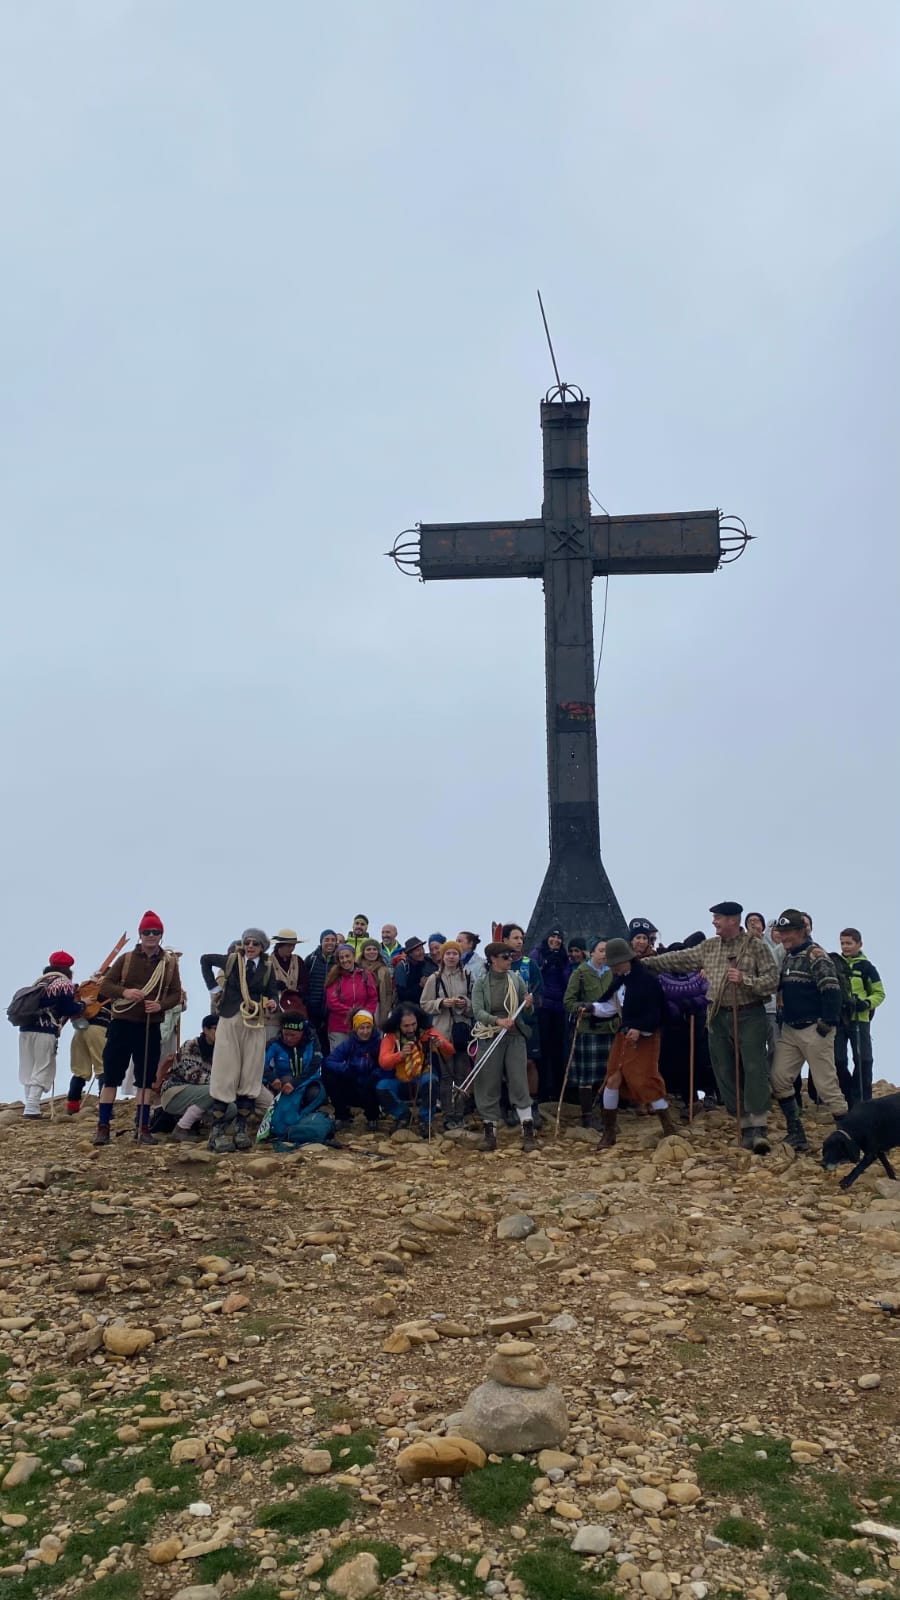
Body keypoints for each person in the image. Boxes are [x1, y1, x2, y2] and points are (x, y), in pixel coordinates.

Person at [644, 901, 778, 1153]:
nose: (714, 922)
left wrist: (745, 980)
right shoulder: (709, 947)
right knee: (723, 1069)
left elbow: (772, 980)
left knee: (753, 1066)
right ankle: (742, 1121)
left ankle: (758, 1127)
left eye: (718, 918)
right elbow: (680, 959)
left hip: (749, 1013)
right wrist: (647, 963)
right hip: (717, 1015)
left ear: (732, 920)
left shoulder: (756, 947)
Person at [95, 913, 182, 1146]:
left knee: (145, 1079)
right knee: (112, 1075)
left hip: (149, 1025)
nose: (151, 936)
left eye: (155, 932)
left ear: (161, 935)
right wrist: (125, 993)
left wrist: (161, 1005)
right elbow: (105, 984)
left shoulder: (170, 964)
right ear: (140, 934)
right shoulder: (125, 959)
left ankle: (142, 1127)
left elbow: (175, 993)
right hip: (121, 1023)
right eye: (147, 932)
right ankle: (103, 1128)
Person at [770, 909, 847, 1150]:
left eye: (789, 932)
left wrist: (826, 1024)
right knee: (779, 1079)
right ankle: (796, 1132)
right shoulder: (788, 957)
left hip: (815, 1028)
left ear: (802, 931)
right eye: (782, 932)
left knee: (827, 1087)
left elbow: (832, 990)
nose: (784, 937)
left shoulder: (817, 955)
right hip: (791, 1030)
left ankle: (848, 1137)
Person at [200, 929, 280, 1152]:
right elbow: (205, 960)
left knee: (250, 1073)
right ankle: (216, 1132)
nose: (251, 946)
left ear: (262, 946)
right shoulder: (233, 960)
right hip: (231, 1018)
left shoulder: (267, 967)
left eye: (255, 943)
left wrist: (273, 1002)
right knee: (226, 1070)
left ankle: (241, 1129)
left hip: (254, 1021)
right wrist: (215, 989)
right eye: (248, 942)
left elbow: (273, 991)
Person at [598, 938, 679, 1147]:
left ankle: (667, 1126)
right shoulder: (620, 980)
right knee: (613, 1079)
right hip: (623, 1036)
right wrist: (589, 1008)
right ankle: (609, 1133)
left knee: (645, 1081)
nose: (613, 968)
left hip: (646, 1038)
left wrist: (640, 1028)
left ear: (626, 960)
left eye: (615, 964)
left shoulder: (647, 980)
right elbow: (609, 1006)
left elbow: (655, 1011)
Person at [470, 941, 535, 1152]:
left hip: (515, 1036)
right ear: (493, 960)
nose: (510, 960)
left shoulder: (516, 980)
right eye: (505, 957)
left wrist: (529, 1005)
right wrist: (497, 1021)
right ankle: (490, 1134)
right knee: (488, 1083)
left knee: (519, 1080)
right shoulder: (481, 983)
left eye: (510, 957)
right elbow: (477, 1011)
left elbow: (527, 1011)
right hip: (490, 1036)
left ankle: (528, 1131)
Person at [13, 950, 85, 1119]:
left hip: (25, 1029)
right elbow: (68, 1008)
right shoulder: (64, 983)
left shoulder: (39, 982)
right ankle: (31, 1107)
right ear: (68, 969)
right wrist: (82, 1005)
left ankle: (31, 1105)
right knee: (43, 1066)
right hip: (45, 1030)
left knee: (28, 1067)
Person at [562, 937, 620, 1127]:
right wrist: (585, 1007)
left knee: (609, 1075)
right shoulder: (580, 973)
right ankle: (587, 1116)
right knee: (586, 1078)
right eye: (601, 950)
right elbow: (568, 1002)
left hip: (610, 1030)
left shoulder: (613, 972)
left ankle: (606, 1115)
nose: (605, 954)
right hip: (588, 1031)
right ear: (591, 953)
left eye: (607, 951)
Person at [420, 940, 473, 1130]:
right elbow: (424, 1003)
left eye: (455, 953)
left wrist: (464, 1004)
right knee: (446, 1076)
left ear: (459, 956)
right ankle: (448, 1115)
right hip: (441, 1033)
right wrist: (442, 1003)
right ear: (442, 956)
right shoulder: (434, 978)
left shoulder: (467, 976)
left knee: (462, 1075)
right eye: (448, 953)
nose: (451, 956)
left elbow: (475, 1005)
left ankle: (460, 1113)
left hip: (462, 1032)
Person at [377, 1003, 450, 1136]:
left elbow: (450, 1050)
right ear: (398, 1024)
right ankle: (402, 1115)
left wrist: (441, 1044)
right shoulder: (391, 1037)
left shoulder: (427, 1033)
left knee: (431, 1080)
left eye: (413, 1024)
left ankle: (425, 1120)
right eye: (406, 1026)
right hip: (401, 1081)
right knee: (382, 1087)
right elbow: (383, 1062)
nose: (411, 1029)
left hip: (422, 1078)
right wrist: (400, 1055)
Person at [836, 927, 885, 1104]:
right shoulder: (835, 963)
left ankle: (862, 1100)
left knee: (863, 1060)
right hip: (839, 1019)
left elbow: (879, 993)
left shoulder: (867, 967)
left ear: (859, 944)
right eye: (842, 943)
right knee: (838, 1060)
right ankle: (847, 1094)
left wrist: (866, 1003)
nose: (845, 947)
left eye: (849, 943)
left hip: (860, 1019)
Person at [501, 923, 544, 1124]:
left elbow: (540, 993)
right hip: (506, 1024)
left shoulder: (530, 964)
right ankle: (512, 1105)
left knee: (529, 1063)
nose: (519, 942)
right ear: (505, 940)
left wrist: (532, 1002)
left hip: (527, 1022)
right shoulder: (498, 965)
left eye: (521, 938)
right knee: (510, 1066)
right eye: (515, 938)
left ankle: (532, 1105)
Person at [156, 1014, 219, 1140]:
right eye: (216, 1028)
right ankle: (182, 1128)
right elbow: (191, 1074)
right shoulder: (191, 1045)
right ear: (205, 1030)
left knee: (231, 1109)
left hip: (200, 1094)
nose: (221, 1033)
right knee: (215, 1090)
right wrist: (222, 1084)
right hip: (175, 1092)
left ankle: (212, 1130)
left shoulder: (220, 1051)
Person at [324, 1010, 383, 1129]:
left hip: (371, 1085)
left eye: (368, 1027)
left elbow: (386, 1066)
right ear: (355, 1028)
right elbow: (329, 1061)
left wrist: (376, 1074)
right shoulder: (349, 1043)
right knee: (329, 1075)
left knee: (373, 1085)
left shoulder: (379, 1044)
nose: (365, 1032)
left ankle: (373, 1116)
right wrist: (345, 1069)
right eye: (362, 1028)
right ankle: (342, 1115)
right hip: (353, 1081)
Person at [530, 926, 570, 1101]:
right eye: (552, 937)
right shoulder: (537, 953)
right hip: (543, 1007)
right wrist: (545, 965)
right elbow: (534, 976)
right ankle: (543, 1091)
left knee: (558, 1051)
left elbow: (568, 981)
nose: (556, 940)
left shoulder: (564, 957)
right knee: (543, 1050)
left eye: (559, 938)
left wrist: (561, 967)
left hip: (559, 1008)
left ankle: (558, 1090)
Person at [324, 944, 378, 1050]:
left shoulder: (365, 975)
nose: (345, 960)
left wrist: (364, 1015)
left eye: (347, 956)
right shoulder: (334, 977)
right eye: (341, 958)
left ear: (353, 956)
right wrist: (353, 1012)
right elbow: (332, 1002)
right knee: (339, 1060)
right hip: (339, 1027)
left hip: (362, 1027)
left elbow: (373, 998)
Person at [67, 990, 111, 1116]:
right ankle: (104, 1105)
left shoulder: (88, 990)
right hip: (99, 1029)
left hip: (80, 1030)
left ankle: (72, 1105)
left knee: (79, 1070)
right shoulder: (113, 991)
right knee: (103, 1068)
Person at [268, 930, 310, 1037]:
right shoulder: (268, 962)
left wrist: (295, 992)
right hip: (272, 1013)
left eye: (293, 945)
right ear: (280, 945)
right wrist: (274, 985)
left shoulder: (298, 960)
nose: (292, 948)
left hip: (293, 1010)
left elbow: (305, 983)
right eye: (289, 945)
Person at [305, 930, 340, 1056]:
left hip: (331, 1011)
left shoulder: (340, 960)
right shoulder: (311, 959)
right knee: (311, 1045)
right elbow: (304, 982)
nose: (330, 943)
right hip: (312, 1010)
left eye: (332, 940)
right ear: (321, 942)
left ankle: (326, 1075)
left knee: (327, 1047)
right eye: (327, 940)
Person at [358, 938, 396, 1028]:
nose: (372, 952)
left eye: (374, 949)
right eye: (368, 949)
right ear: (363, 952)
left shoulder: (384, 969)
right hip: (361, 1005)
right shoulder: (358, 968)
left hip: (379, 1006)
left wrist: (387, 1008)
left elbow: (389, 991)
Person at [394, 937, 437, 1006]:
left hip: (427, 1005)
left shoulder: (429, 962)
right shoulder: (403, 966)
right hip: (409, 1007)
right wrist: (420, 986)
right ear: (410, 953)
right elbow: (401, 994)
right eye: (418, 950)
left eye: (422, 949)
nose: (422, 952)